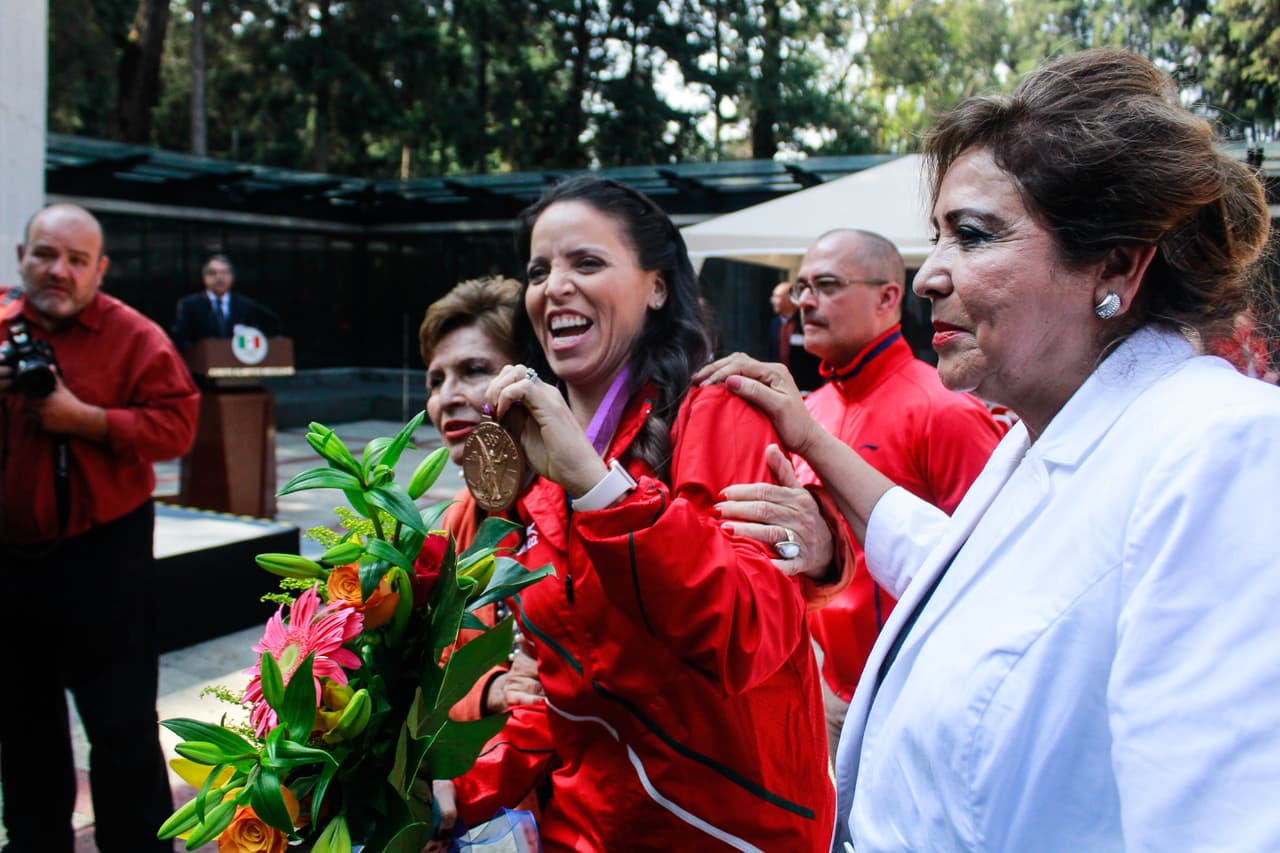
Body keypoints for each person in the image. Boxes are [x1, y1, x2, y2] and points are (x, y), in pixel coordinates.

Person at [698, 48, 1280, 851]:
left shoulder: (1224, 449)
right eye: (935, 238)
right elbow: (972, 581)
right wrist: (809, 437)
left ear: (1115, 265)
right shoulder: (1047, 433)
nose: (929, 275)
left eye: (972, 236)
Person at [432, 177, 837, 851]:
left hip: (729, 832)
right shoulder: (537, 471)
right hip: (587, 830)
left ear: (656, 286)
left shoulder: (719, 413)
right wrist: (445, 796)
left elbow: (744, 633)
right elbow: (565, 700)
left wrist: (597, 489)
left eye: (585, 262)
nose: (554, 285)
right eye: (539, 270)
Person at [0, 204, 200, 852]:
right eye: (44, 255)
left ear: (99, 268)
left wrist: (81, 417)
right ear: (20, 255)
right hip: (11, 562)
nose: (58, 270)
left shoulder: (134, 336)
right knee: (24, 725)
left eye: (76, 260)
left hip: (104, 557)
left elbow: (178, 427)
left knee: (121, 726)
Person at [777, 228, 1004, 761]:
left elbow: (993, 568)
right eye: (801, 287)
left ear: (887, 297)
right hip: (830, 689)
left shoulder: (942, 408)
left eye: (826, 285)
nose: (806, 301)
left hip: (921, 700)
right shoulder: (812, 408)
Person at [418, 275, 544, 720]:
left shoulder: (587, 500)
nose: (446, 398)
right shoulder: (455, 520)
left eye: (473, 370)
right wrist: (488, 693)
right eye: (435, 381)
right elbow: (427, 667)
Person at [170, 253, 279, 352]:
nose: (219, 277)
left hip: (238, 368)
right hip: (200, 369)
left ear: (232, 277)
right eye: (213, 273)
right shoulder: (189, 305)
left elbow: (255, 336)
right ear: (204, 277)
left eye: (224, 272)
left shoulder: (246, 306)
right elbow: (181, 339)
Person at [768, 280, 823, 393]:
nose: (773, 301)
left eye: (777, 297)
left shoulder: (806, 323)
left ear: (790, 299)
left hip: (806, 388)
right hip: (779, 386)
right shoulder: (774, 324)